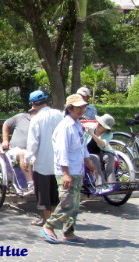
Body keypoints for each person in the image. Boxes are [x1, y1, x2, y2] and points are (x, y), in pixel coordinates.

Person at [42, 94, 95, 244]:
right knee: (67, 202)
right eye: (78, 107)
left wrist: (88, 161)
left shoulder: (77, 124)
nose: (81, 110)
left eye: (83, 107)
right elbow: (61, 152)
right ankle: (49, 226)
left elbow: (82, 146)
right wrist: (66, 173)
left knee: (75, 203)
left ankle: (69, 232)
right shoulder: (64, 127)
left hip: (77, 170)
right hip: (67, 171)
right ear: (70, 108)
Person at [25, 90, 63, 227]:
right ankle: (53, 219)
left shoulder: (36, 119)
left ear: (33, 104)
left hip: (42, 161)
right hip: (59, 160)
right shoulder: (59, 115)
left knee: (43, 192)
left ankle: (46, 220)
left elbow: (33, 142)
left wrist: (27, 159)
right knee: (55, 190)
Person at [1, 108, 37, 195]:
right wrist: (5, 140)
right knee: (23, 154)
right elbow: (6, 124)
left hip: (34, 151)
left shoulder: (43, 122)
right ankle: (31, 184)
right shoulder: (20, 117)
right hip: (16, 150)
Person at [84, 114, 117, 193]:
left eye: (101, 125)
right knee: (95, 158)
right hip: (87, 152)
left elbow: (102, 144)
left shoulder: (109, 134)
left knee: (109, 157)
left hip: (101, 152)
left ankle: (111, 183)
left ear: (106, 128)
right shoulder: (90, 126)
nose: (98, 125)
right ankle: (100, 185)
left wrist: (92, 135)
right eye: (98, 123)